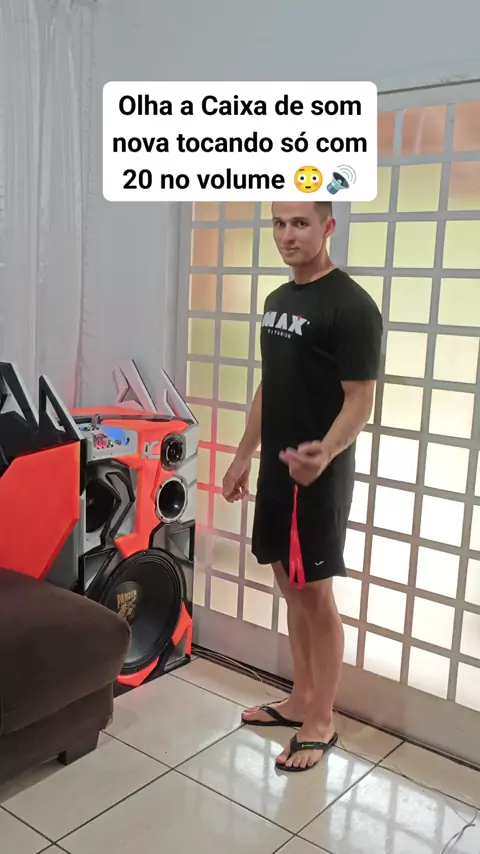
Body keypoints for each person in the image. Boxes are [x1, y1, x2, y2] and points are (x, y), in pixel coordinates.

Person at [222, 200, 383, 772]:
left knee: (315, 596)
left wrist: (327, 451)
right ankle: (299, 699)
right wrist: (244, 453)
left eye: (300, 224)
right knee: (289, 586)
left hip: (318, 477)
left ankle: (322, 720)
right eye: (279, 223)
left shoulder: (352, 307)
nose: (287, 235)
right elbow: (272, 384)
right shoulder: (276, 302)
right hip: (277, 470)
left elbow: (360, 399)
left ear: (327, 227)